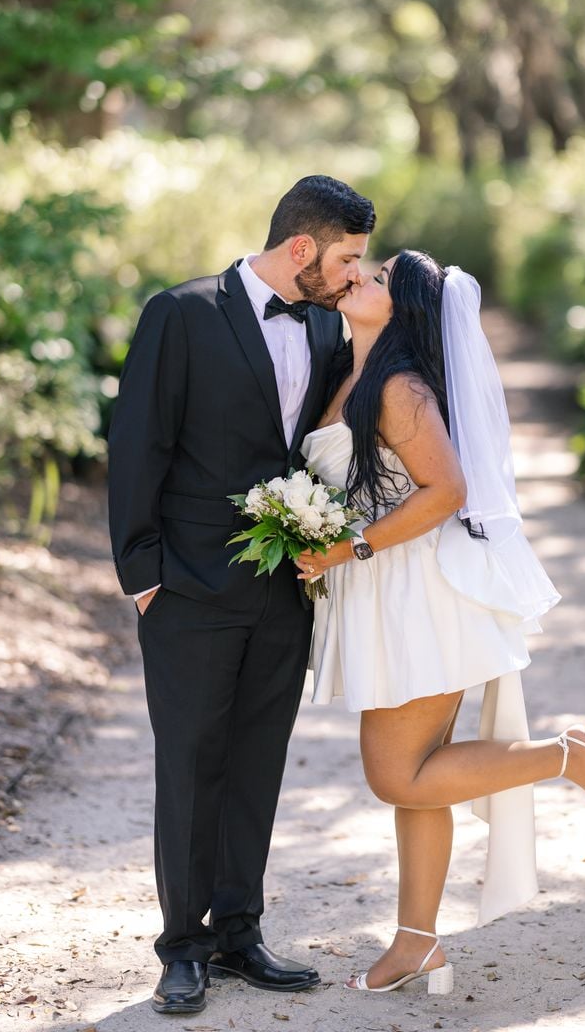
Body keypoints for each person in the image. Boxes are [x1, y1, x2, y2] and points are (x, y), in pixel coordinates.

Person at [295, 250, 585, 996]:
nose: (358, 278)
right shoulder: (348, 372)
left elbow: (448, 490)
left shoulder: (401, 390)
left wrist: (346, 546)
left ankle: (565, 755)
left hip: (417, 593)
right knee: (417, 783)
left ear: (403, 309)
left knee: (393, 773)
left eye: (376, 278)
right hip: (385, 593)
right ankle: (417, 944)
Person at [107, 175, 375, 1015]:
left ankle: (238, 932)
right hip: (185, 587)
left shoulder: (331, 323)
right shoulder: (179, 313)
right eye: (347, 260)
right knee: (190, 764)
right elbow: (137, 446)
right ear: (303, 248)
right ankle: (181, 947)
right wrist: (144, 578)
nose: (352, 276)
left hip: (283, 591)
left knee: (257, 762)